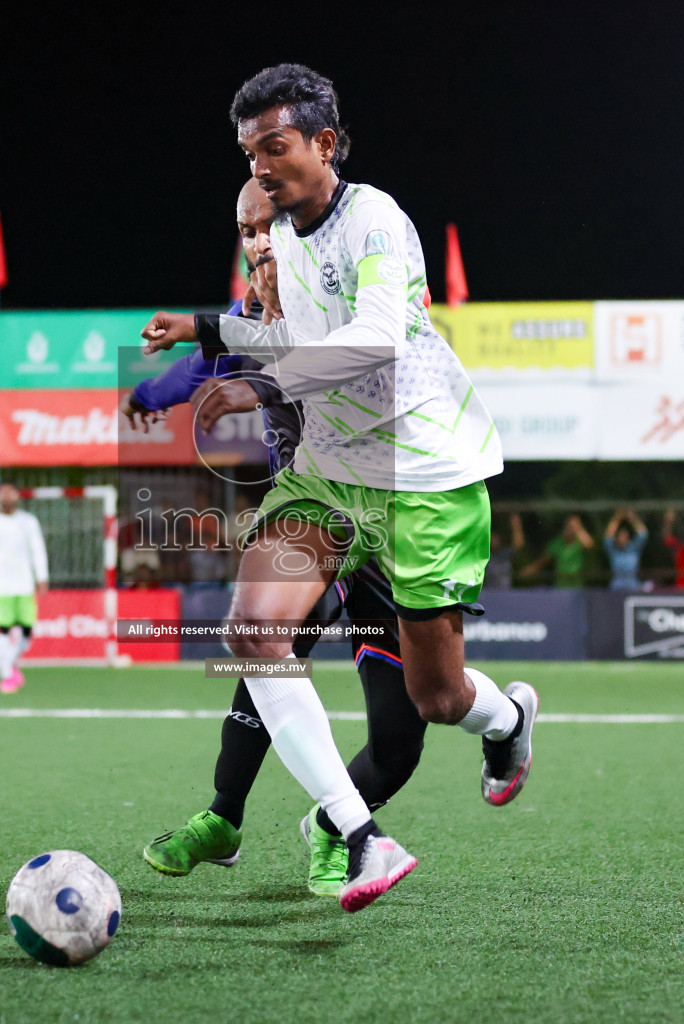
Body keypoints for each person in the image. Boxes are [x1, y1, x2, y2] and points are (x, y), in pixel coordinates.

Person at [140, 65, 533, 912]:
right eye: (249, 154)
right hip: (330, 474)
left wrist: (262, 379)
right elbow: (289, 332)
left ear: (324, 143)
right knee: (252, 632)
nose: (260, 169)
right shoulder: (281, 236)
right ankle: (361, 836)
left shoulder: (375, 219)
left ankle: (506, 722)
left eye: (274, 148)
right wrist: (208, 328)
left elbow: (375, 340)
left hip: (426, 477)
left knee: (436, 698)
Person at [132, 178, 426, 897]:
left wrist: (261, 383)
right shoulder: (246, 315)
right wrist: (150, 394)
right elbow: (207, 358)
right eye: (248, 230)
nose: (261, 241)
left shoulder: (350, 305)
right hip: (312, 522)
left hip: (386, 530)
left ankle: (335, 825)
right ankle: (225, 818)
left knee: (401, 732)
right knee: (265, 658)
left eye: (273, 225)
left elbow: (355, 361)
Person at [0, 483, 49, 694]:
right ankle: (6, 675)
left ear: (18, 495)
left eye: (10, 492)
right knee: (3, 630)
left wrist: (42, 576)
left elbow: (38, 549)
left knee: (27, 630)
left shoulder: (28, 521)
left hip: (24, 584)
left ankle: (10, 663)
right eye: (2, 493)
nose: (6, 496)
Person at [519, 514, 593, 587]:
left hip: (577, 586)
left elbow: (589, 545)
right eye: (569, 526)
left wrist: (578, 529)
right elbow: (544, 559)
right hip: (561, 585)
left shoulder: (580, 542)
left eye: (573, 527)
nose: (570, 529)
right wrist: (531, 568)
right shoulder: (558, 542)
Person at [603, 508, 648, 590]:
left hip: (633, 587)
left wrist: (633, 518)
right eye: (620, 536)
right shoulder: (613, 551)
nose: (622, 538)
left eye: (624, 536)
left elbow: (643, 534)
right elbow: (608, 537)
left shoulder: (634, 549)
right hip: (616, 588)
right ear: (616, 538)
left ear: (628, 538)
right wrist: (617, 518)